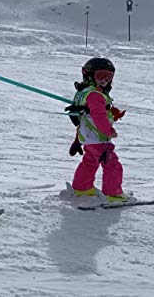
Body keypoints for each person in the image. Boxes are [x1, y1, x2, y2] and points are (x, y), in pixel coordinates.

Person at [65, 57, 128, 202]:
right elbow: (98, 116)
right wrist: (108, 131)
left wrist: (78, 139)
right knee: (112, 163)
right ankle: (113, 193)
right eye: (100, 75)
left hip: (89, 137)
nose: (105, 79)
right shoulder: (95, 95)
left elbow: (84, 117)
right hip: (99, 137)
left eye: (109, 76)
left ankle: (82, 188)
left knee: (90, 160)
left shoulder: (85, 92)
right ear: (89, 75)